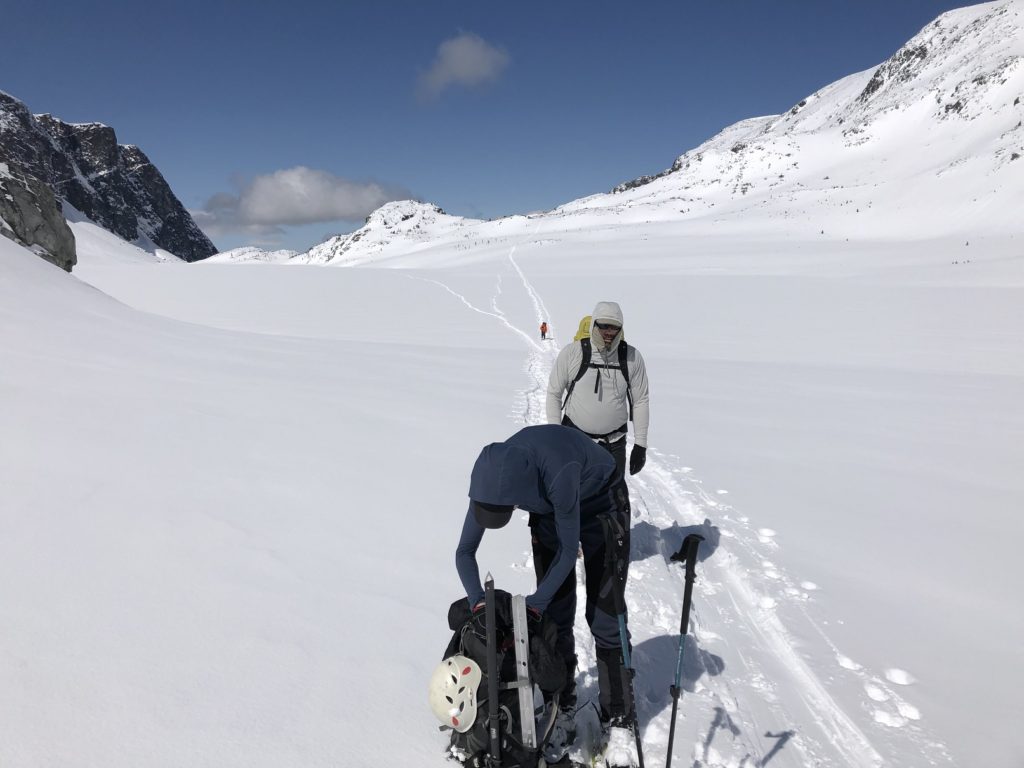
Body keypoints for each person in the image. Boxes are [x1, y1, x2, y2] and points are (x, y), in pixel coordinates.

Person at [455, 424, 637, 765]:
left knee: (604, 613)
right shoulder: (490, 475)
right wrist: (478, 601)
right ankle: (562, 701)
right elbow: (465, 551)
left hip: (602, 505)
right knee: (556, 614)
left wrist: (534, 606)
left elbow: (569, 552)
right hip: (550, 511)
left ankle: (618, 714)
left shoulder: (557, 468)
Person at [546, 301, 650, 482]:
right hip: (574, 441)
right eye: (604, 326)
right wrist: (556, 436)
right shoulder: (573, 353)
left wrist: (640, 445)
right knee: (573, 498)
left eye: (615, 327)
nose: (609, 332)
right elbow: (554, 393)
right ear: (594, 323)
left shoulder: (631, 357)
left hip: (614, 444)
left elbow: (641, 400)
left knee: (613, 502)